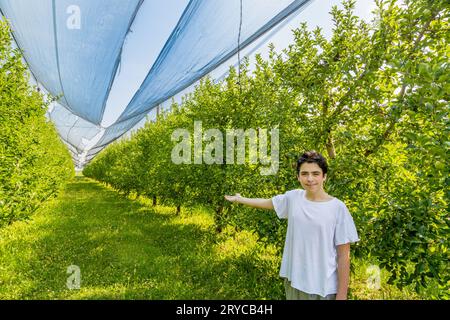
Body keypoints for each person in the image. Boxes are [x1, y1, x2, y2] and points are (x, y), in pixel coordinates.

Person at [224, 150, 359, 300]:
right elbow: (267, 202)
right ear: (298, 176)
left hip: (323, 288)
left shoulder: (337, 208)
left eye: (315, 173)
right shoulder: (293, 197)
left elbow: (343, 256)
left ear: (324, 176)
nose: (310, 179)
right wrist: (240, 199)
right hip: (294, 281)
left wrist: (342, 295)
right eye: (304, 174)